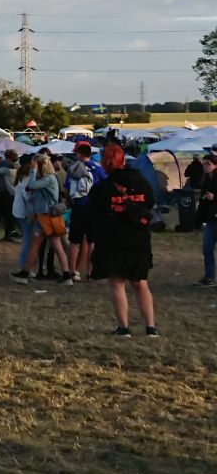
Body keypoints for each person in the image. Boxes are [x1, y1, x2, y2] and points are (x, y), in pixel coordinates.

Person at [88, 144, 158, 337]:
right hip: (139, 239)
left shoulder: (102, 188)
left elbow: (94, 213)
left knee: (117, 283)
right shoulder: (141, 182)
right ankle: (151, 327)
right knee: (140, 283)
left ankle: (123, 327)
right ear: (124, 160)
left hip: (113, 240)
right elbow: (150, 203)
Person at [27, 153, 74, 285]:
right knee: (55, 246)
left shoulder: (48, 179)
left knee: (38, 246)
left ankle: (25, 272)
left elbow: (31, 185)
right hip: (45, 216)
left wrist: (33, 170)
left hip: (46, 216)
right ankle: (66, 274)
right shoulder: (48, 178)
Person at [66, 142, 107, 281]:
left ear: (78, 154)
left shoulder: (74, 168)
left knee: (74, 241)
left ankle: (72, 272)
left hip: (79, 205)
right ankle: (90, 272)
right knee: (92, 241)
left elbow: (67, 187)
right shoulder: (98, 168)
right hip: (94, 207)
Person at [192, 154, 217, 287]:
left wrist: (214, 197)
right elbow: (202, 205)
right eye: (204, 164)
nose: (205, 166)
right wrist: (197, 223)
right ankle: (209, 277)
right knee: (207, 249)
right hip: (211, 220)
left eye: (208, 164)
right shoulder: (205, 180)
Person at [0, 150, 18, 241]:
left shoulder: (4, 167)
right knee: (8, 216)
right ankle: (8, 235)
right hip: (10, 194)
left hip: (0, 193)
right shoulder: (16, 167)